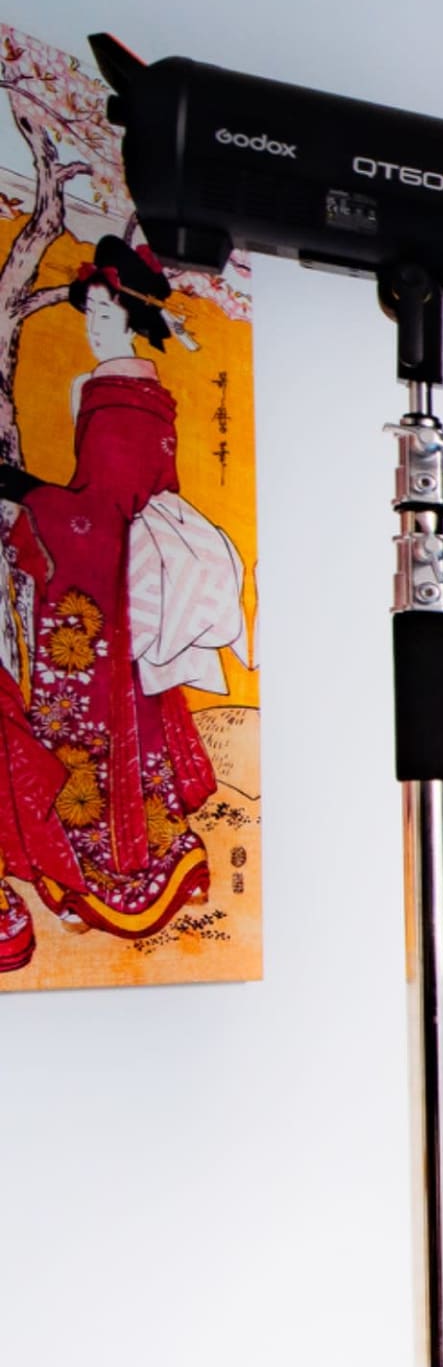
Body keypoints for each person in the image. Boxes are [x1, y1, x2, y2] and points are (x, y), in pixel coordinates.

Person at [0, 236, 232, 947]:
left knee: (106, 723)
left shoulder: (138, 390)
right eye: (92, 317)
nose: (94, 328)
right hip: (104, 577)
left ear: (130, 317)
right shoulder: (101, 385)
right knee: (90, 723)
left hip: (114, 573)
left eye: (104, 316)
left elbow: (115, 503)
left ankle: (119, 857)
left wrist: (24, 497)